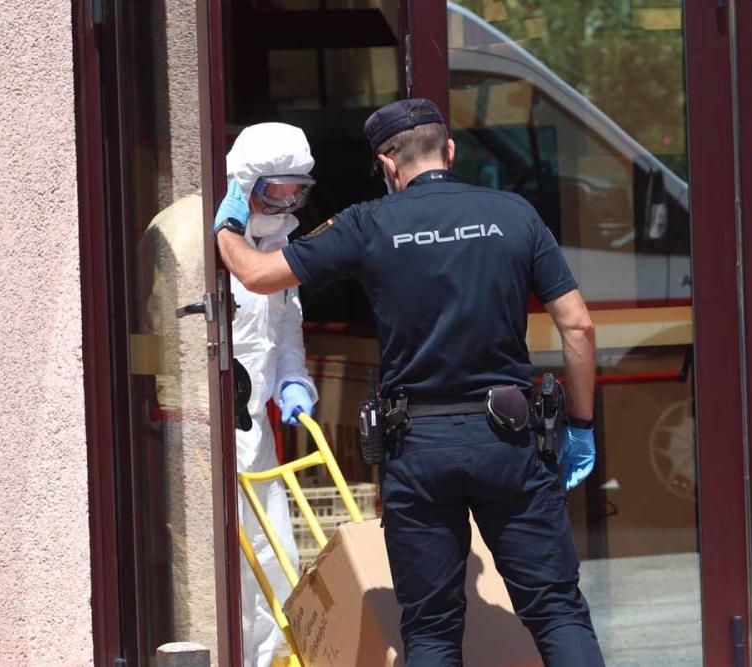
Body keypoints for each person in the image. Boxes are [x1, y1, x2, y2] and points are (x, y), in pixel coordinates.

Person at [214, 101, 604, 665]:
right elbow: (578, 325)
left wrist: (228, 223)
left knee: (432, 631)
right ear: (449, 150)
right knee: (556, 609)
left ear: (387, 165)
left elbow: (253, 272)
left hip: (419, 448)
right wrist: (583, 425)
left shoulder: (368, 222)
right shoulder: (515, 214)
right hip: (511, 442)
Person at [215, 122, 320, 667]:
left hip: (253, 437)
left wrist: (294, 380)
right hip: (205, 440)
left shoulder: (279, 249)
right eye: (273, 190)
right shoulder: (199, 242)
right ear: (243, 183)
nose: (284, 202)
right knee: (222, 574)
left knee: (275, 564)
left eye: (295, 191)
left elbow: (285, 332)